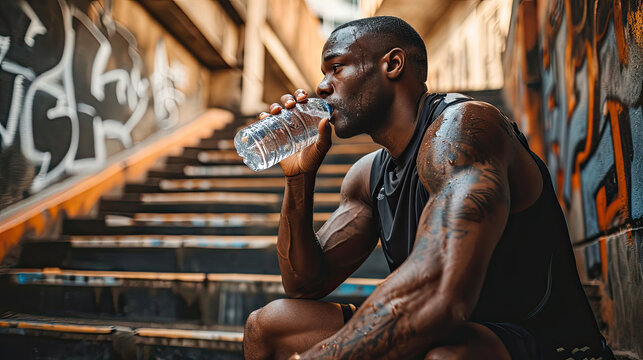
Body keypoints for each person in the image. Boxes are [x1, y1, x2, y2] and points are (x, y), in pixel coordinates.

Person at [243, 16, 614, 360]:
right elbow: (304, 285)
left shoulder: (464, 130)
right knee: (272, 325)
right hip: (451, 329)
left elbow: (438, 294)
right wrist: (298, 178)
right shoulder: (367, 176)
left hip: (545, 343)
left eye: (337, 68)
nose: (322, 86)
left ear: (392, 64)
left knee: (443, 357)